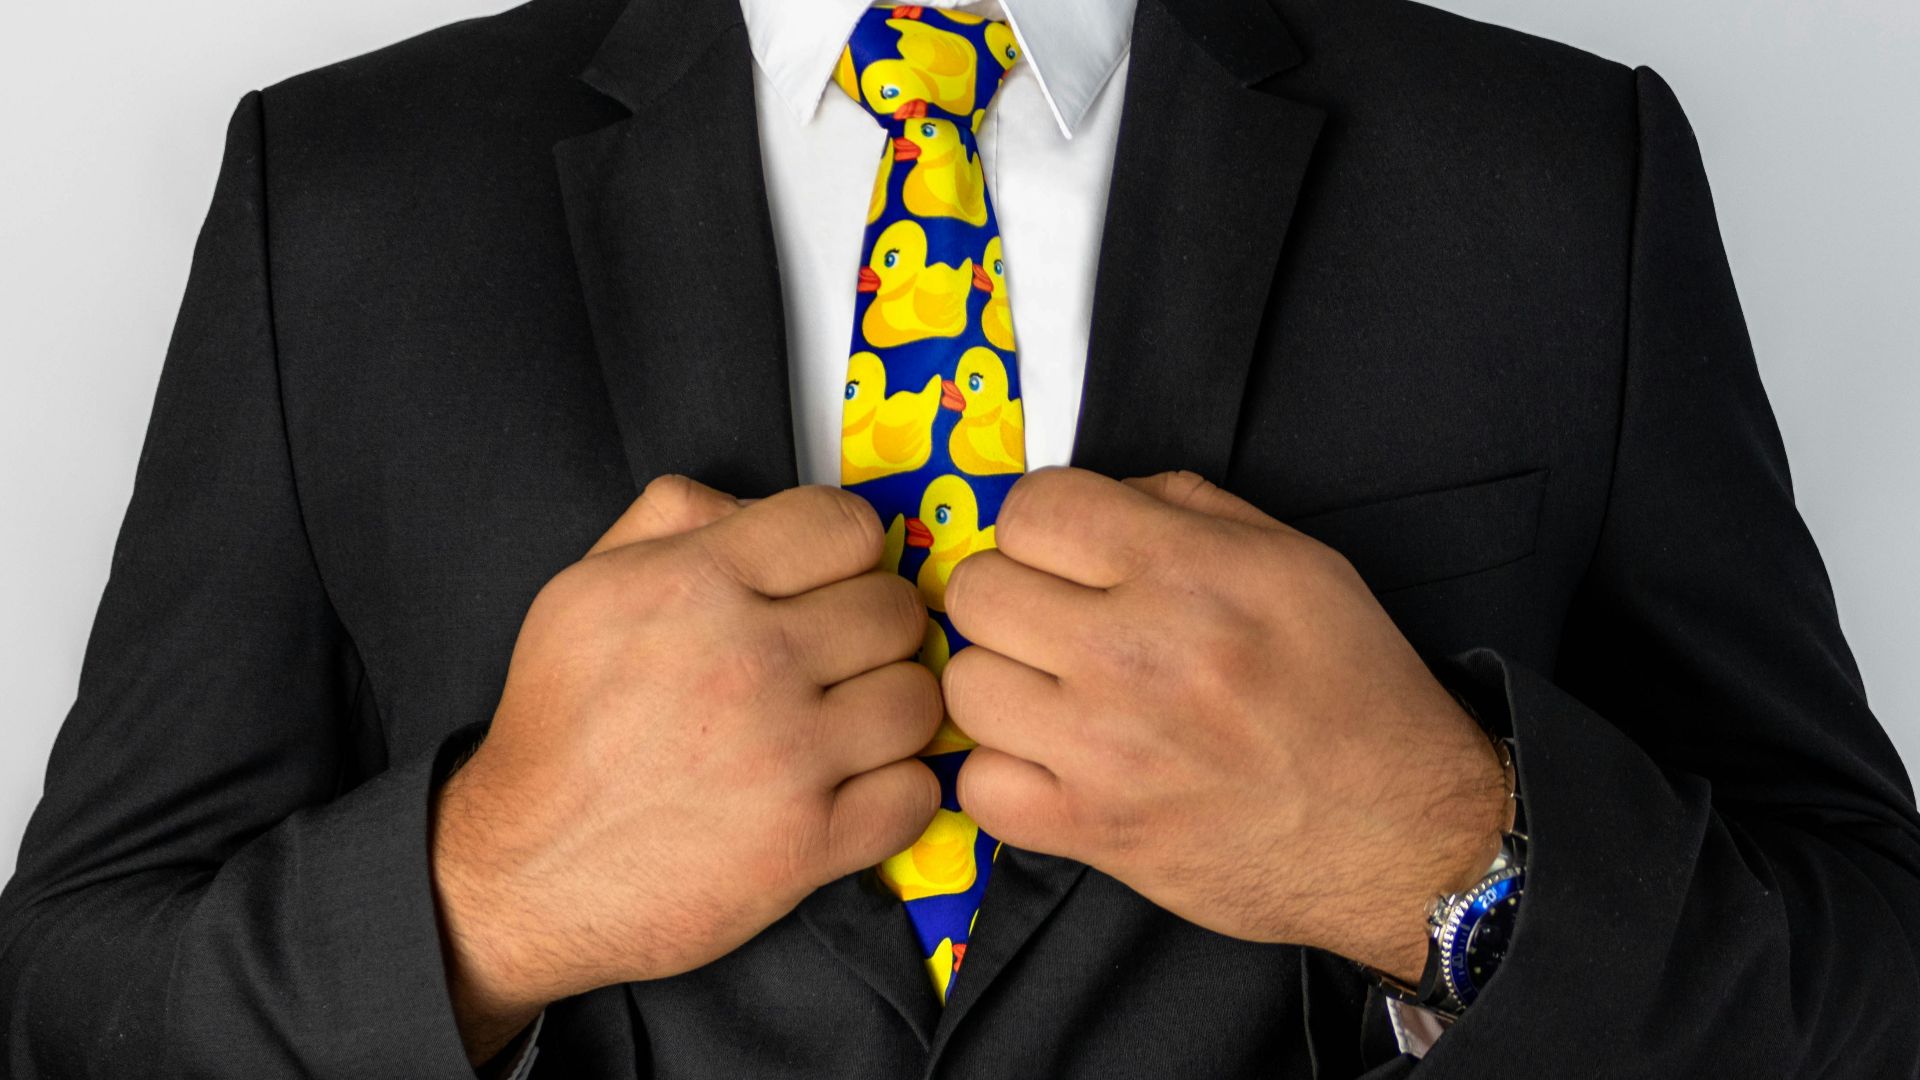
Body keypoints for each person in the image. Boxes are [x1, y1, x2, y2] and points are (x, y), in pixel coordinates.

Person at [4, 0, 1917, 1076]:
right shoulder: (338, 196)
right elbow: (67, 998)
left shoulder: (1559, 169)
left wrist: (1437, 864)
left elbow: (1879, 975)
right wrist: (489, 898)